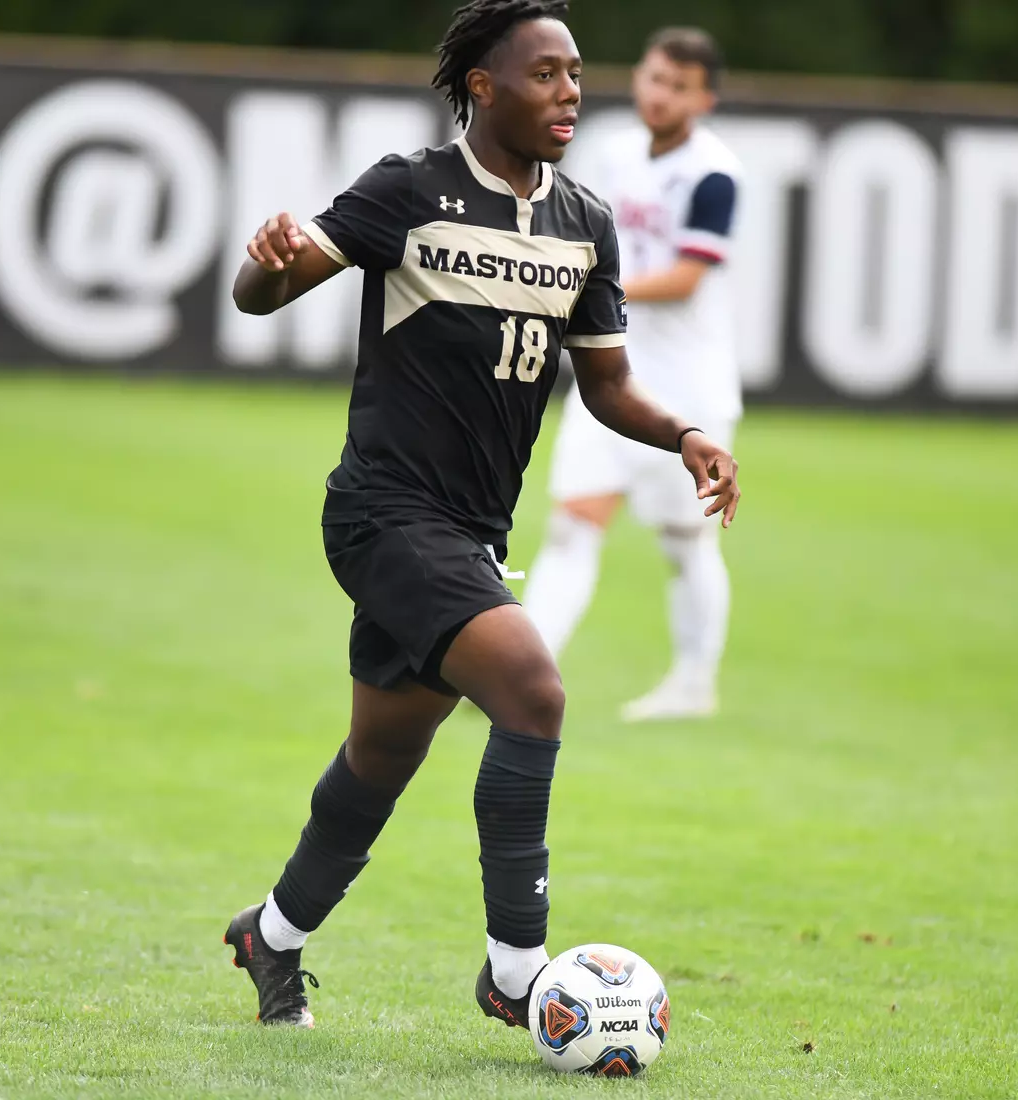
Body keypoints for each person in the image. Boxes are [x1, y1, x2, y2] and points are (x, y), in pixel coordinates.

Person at [221, 0, 741, 1029]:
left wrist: (683, 435)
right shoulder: (405, 191)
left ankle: (269, 936)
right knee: (533, 687)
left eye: (577, 73)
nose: (570, 92)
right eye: (545, 73)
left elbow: (606, 388)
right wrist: (269, 261)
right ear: (483, 87)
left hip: (470, 536)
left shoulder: (582, 221)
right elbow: (258, 294)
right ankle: (516, 973)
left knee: (383, 753)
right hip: (381, 512)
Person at [523, 28, 742, 722]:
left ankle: (693, 682)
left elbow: (685, 278)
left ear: (704, 98)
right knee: (572, 524)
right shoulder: (610, 151)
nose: (659, 93)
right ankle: (523, 669)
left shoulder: (715, 173)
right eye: (653, 77)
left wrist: (592, 289)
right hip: (609, 370)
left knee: (685, 541)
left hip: (687, 384)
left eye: (678, 85)